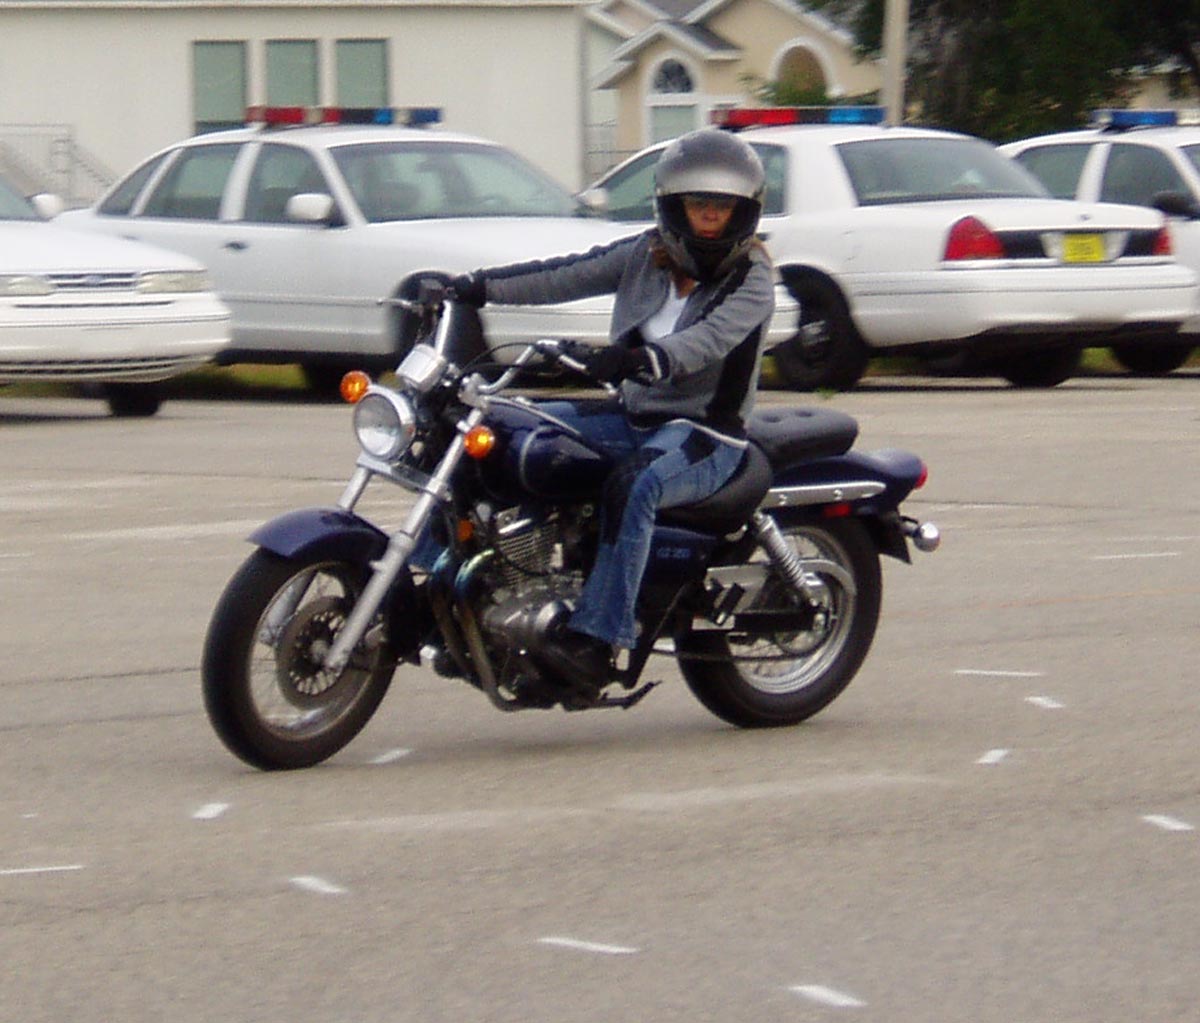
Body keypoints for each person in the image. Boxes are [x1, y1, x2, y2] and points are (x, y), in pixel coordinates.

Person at [450, 127, 774, 689]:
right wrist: (473, 287)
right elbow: (565, 274)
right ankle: (462, 594)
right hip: (632, 416)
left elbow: (704, 343)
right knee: (492, 433)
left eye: (722, 207)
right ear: (673, 206)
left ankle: (599, 640)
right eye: (698, 204)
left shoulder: (753, 278)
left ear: (743, 212)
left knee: (636, 483)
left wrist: (638, 359)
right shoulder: (644, 255)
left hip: (706, 436)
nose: (709, 217)